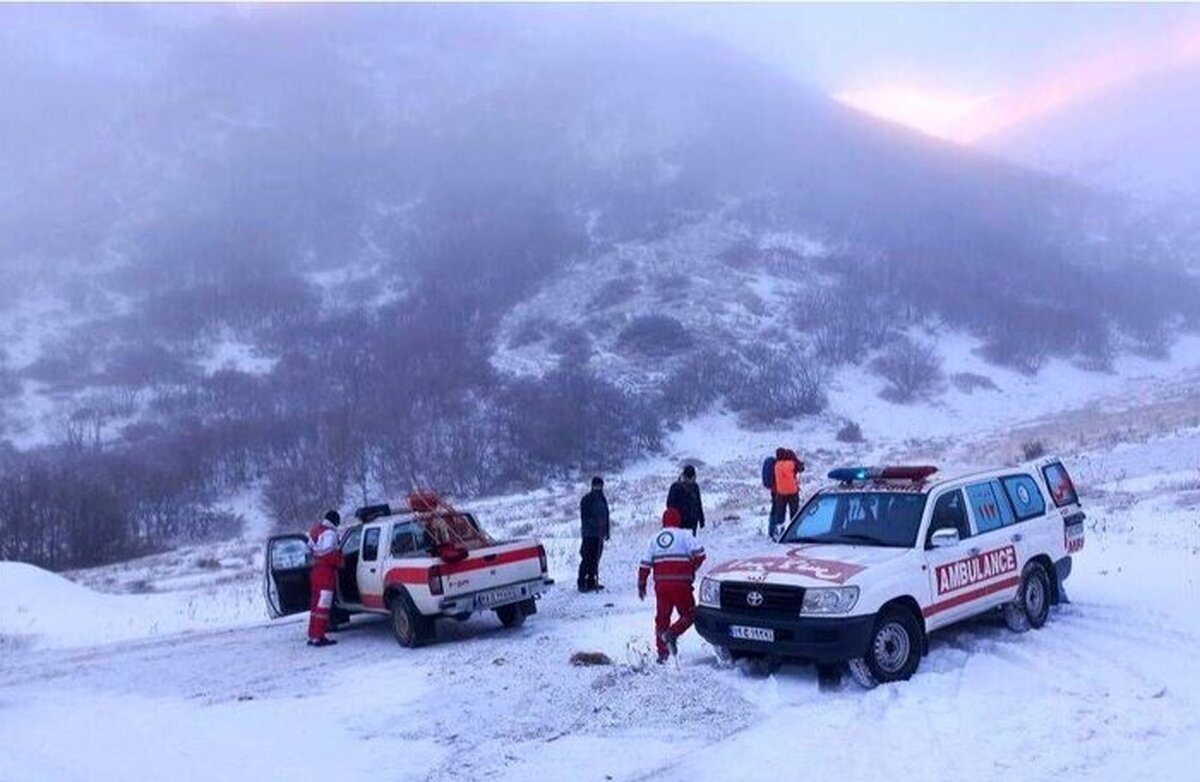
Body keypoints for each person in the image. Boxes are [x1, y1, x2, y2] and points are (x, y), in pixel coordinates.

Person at [638, 507, 707, 662]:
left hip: (661, 585)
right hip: (681, 583)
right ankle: (673, 633)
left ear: (664, 521)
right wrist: (692, 568)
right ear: (678, 521)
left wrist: (641, 584)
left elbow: (645, 564)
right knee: (689, 614)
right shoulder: (685, 535)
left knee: (662, 618)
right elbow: (701, 555)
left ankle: (662, 653)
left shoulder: (654, 538)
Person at [307, 509, 344, 647]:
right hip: (326, 573)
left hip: (315, 571)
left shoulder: (315, 530)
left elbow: (309, 549)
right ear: (335, 521)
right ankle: (319, 637)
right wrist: (340, 561)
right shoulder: (331, 533)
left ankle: (312, 635)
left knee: (315, 605)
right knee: (323, 606)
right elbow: (328, 554)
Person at [578, 476, 611, 593]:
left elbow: (606, 516)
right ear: (592, 486)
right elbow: (585, 517)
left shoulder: (602, 499)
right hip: (589, 534)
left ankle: (591, 581)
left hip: (599, 535)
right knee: (587, 558)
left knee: (596, 559)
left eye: (600, 485)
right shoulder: (587, 499)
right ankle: (581, 582)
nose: (599, 487)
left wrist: (607, 531)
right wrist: (595, 524)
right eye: (597, 485)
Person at [771, 449, 805, 535]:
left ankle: (780, 531)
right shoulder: (792, 464)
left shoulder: (776, 465)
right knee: (794, 513)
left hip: (781, 492)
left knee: (780, 513)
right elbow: (801, 468)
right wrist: (799, 461)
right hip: (793, 492)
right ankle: (794, 531)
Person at [666, 464, 705, 536]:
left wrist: (701, 520)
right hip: (679, 525)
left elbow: (698, 504)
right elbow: (670, 506)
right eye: (690, 478)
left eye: (694, 477)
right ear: (684, 476)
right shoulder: (675, 488)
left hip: (692, 525)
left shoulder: (695, 487)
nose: (692, 480)